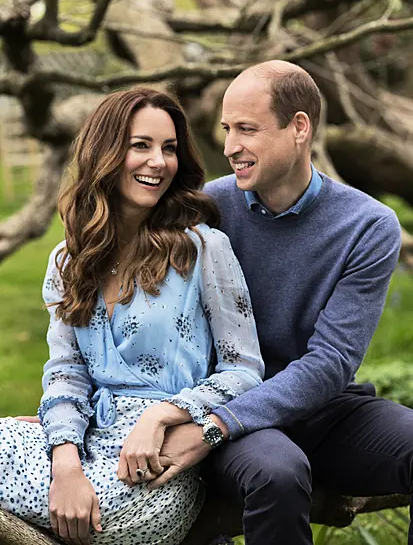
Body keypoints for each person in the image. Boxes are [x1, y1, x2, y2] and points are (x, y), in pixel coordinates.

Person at [144, 60, 413, 545]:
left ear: (300, 128)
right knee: (278, 474)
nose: (230, 148)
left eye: (247, 129)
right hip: (230, 406)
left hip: (320, 410)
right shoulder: (208, 209)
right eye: (226, 129)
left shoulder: (368, 226)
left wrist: (215, 427)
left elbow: (331, 363)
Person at [1, 86, 264, 545]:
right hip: (85, 438)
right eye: (140, 145)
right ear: (104, 153)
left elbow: (243, 370)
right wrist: (64, 463)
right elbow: (65, 372)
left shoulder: (203, 250)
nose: (158, 162)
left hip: (159, 461)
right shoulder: (69, 260)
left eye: (169, 149)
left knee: (109, 521)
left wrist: (163, 414)